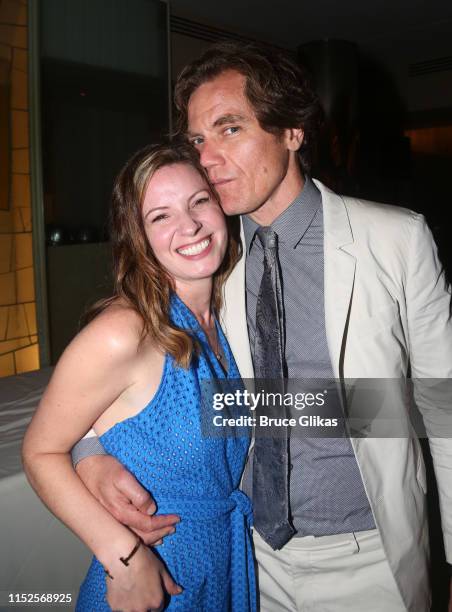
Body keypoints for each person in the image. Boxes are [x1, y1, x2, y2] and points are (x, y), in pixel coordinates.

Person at [72, 43, 452, 611]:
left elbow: (441, 404)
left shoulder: (396, 240)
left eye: (230, 130)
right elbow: (122, 363)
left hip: (370, 557)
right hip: (247, 559)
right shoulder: (205, 252)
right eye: (198, 140)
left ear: (293, 131)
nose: (209, 159)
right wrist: (90, 449)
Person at [22, 142, 257, 612]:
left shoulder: (228, 317)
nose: (189, 225)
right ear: (138, 237)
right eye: (160, 216)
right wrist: (124, 555)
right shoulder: (124, 331)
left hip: (222, 570)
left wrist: (390, 410)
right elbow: (40, 451)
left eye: (199, 201)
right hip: (150, 585)